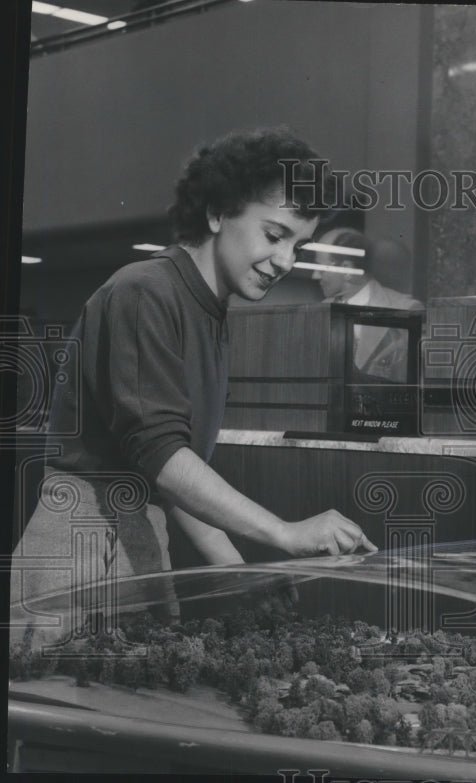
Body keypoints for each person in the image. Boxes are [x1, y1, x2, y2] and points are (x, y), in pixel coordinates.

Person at [10, 128, 376, 639]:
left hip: (139, 546)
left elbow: (177, 473)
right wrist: (284, 532)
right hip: (81, 552)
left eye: (300, 243)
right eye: (274, 235)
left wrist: (237, 575)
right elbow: (163, 458)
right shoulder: (145, 290)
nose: (288, 261)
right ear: (217, 212)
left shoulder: (210, 313)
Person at [306, 217, 422, 382]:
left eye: (320, 268)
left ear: (347, 269)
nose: (314, 275)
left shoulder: (405, 310)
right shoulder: (317, 314)